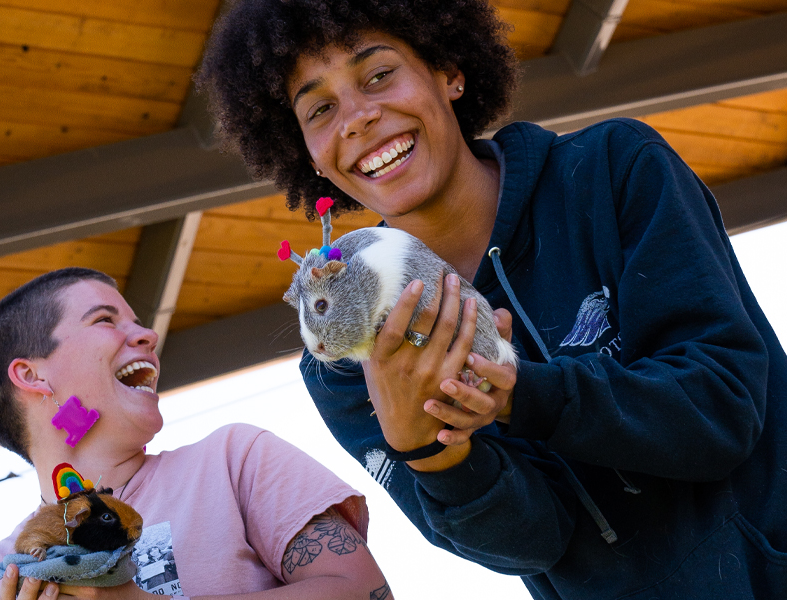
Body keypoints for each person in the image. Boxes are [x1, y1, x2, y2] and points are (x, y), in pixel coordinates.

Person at [197, 0, 787, 598]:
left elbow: (721, 411)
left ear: (450, 71)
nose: (357, 117)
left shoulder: (613, 170)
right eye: (320, 109)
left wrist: (520, 393)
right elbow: (533, 545)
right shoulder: (347, 360)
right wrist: (428, 452)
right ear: (309, 155)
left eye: (378, 75)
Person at [0, 267, 394, 600]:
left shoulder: (235, 459)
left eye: (137, 322)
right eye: (105, 320)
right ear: (32, 376)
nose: (148, 335)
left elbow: (367, 592)